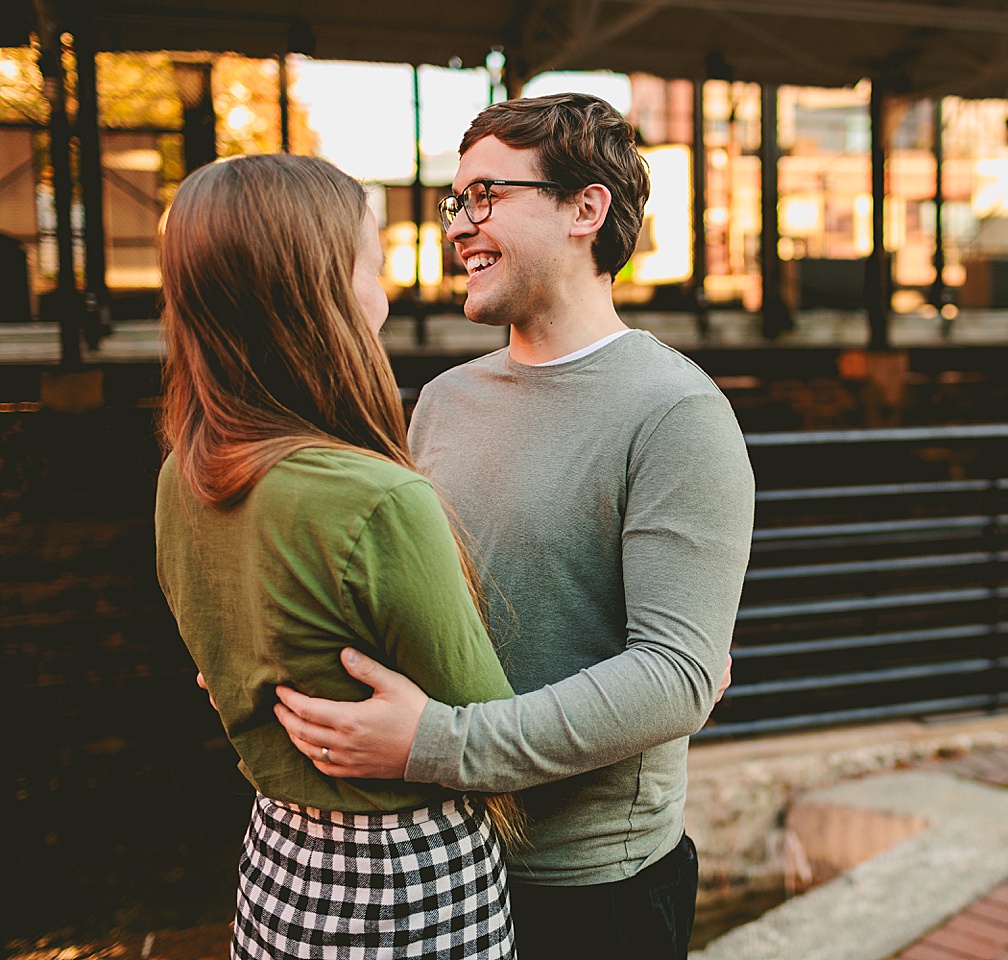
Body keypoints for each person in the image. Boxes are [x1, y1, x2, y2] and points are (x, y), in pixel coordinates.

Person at [273, 93, 755, 959]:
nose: (460, 224)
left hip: (593, 885)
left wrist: (438, 747)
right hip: (442, 862)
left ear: (585, 208)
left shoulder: (678, 413)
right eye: (457, 202)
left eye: (486, 195)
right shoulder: (445, 400)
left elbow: (677, 677)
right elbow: (408, 605)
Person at [155, 154, 519, 960]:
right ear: (323, 285)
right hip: (404, 877)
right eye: (375, 258)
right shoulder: (378, 499)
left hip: (278, 859)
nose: (383, 282)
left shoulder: (180, 476)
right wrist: (669, 688)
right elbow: (491, 732)